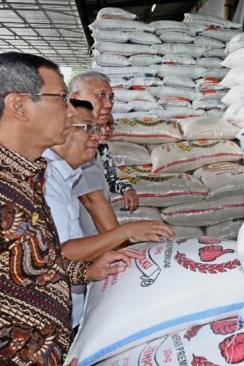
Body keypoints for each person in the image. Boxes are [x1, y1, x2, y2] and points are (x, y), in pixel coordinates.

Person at [0, 52, 133, 363]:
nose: (70, 110)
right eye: (61, 98)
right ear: (18, 105)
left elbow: (30, 261)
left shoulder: (26, 174)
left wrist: (85, 270)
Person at [43, 99, 172, 328]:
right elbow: (62, 252)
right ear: (60, 129)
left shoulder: (66, 176)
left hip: (71, 304)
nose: (96, 136)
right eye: (87, 129)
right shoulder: (49, 180)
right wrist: (128, 232)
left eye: (97, 129)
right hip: (55, 312)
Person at [68, 71, 138, 236]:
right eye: (101, 95)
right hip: (79, 247)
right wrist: (122, 247)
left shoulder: (94, 145)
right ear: (75, 97)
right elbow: (93, 201)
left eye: (111, 98)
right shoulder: (75, 141)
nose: (108, 104)